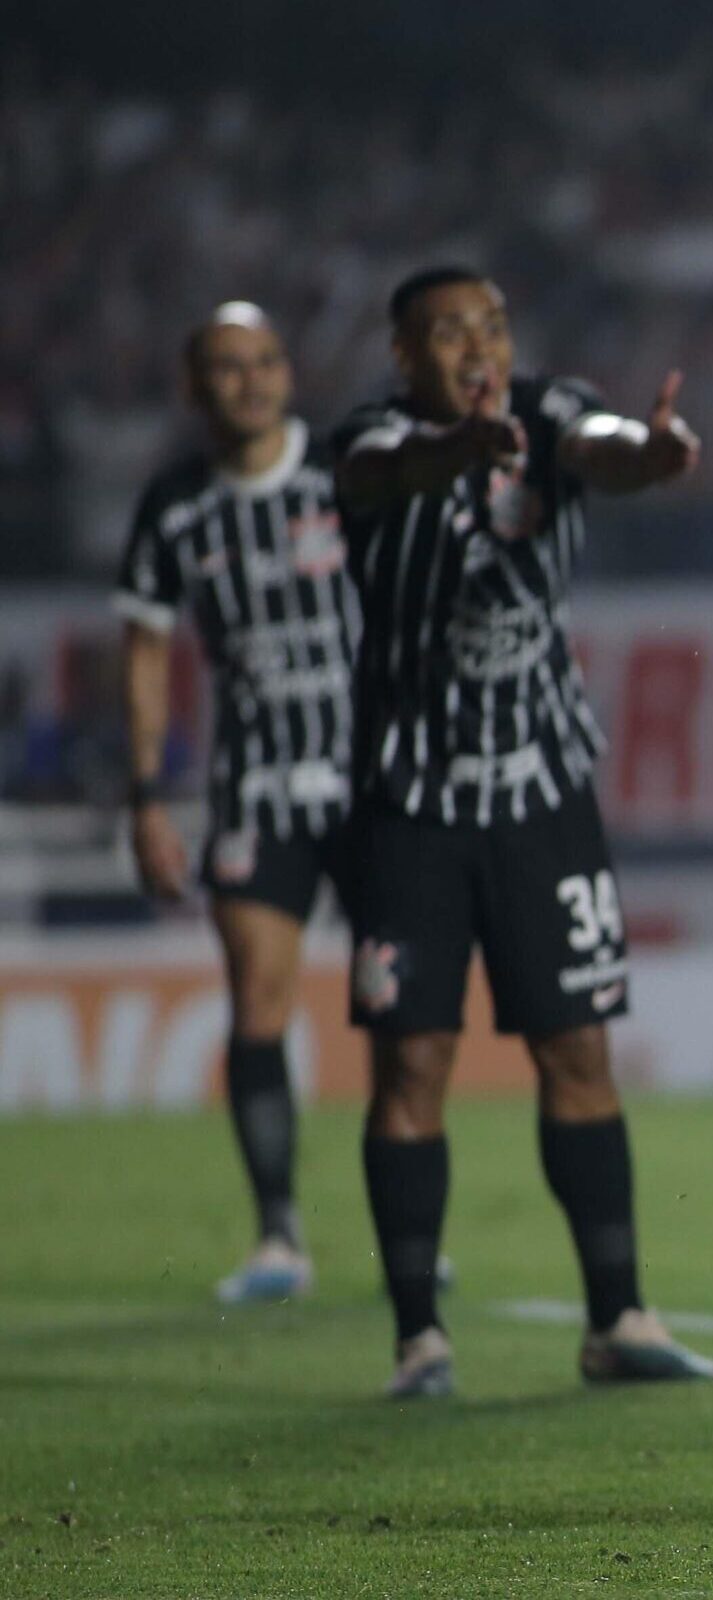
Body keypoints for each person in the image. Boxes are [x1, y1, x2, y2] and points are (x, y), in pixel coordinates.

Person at [330, 265, 713, 1396]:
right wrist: (456, 452)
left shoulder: (550, 416)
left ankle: (619, 1320)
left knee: (578, 1050)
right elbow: (382, 472)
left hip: (543, 796)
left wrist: (653, 452)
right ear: (405, 356)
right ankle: (419, 1338)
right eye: (448, 331)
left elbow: (603, 441)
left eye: (491, 324)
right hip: (409, 806)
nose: (476, 344)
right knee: (413, 1059)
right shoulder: (365, 439)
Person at [113, 303, 357, 1304]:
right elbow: (144, 653)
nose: (249, 381)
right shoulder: (174, 506)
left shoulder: (347, 476)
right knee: (259, 994)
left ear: (287, 374)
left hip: (373, 781)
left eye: (264, 363)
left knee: (403, 1010)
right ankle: (279, 1236)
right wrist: (146, 797)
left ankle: (405, 1220)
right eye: (226, 366)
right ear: (194, 383)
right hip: (254, 785)